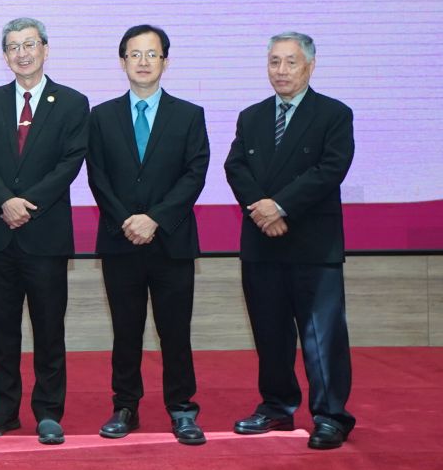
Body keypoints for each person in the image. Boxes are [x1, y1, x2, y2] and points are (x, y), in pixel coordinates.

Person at [225, 32, 356, 450]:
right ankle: (277, 407)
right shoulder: (252, 116)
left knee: (322, 336)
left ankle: (331, 415)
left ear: (310, 67)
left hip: (312, 244)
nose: (281, 71)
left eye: (290, 62)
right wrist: (262, 210)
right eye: (274, 62)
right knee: (270, 333)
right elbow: (236, 167)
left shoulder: (334, 114)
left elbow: (330, 169)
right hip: (262, 243)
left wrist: (279, 207)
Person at [0, 18, 88, 443]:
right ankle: (4, 410)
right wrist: (5, 201)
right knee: (1, 330)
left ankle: (49, 412)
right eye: (13, 46)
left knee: (49, 328)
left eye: (29, 44)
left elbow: (70, 162)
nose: (22, 53)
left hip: (46, 234)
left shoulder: (72, 102)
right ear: (4, 56)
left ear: (45, 49)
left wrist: (27, 205)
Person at [86, 25, 209, 445]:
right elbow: (97, 177)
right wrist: (127, 220)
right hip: (120, 242)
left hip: (171, 242)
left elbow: (195, 174)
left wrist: (154, 218)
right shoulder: (100, 116)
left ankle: (181, 408)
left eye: (151, 54)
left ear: (165, 61)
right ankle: (125, 406)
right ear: (122, 62)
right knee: (126, 329)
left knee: (175, 330)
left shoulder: (189, 115)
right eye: (134, 54)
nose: (143, 62)